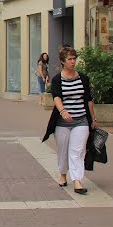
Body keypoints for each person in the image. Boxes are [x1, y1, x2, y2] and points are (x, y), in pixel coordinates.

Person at [41, 47, 97, 194]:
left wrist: (93, 118)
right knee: (63, 150)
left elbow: (89, 99)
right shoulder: (57, 79)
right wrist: (63, 111)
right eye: (69, 59)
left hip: (81, 120)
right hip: (62, 122)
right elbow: (57, 97)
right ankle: (63, 174)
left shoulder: (83, 78)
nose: (73, 62)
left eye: (74, 58)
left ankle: (77, 180)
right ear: (62, 62)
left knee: (78, 151)